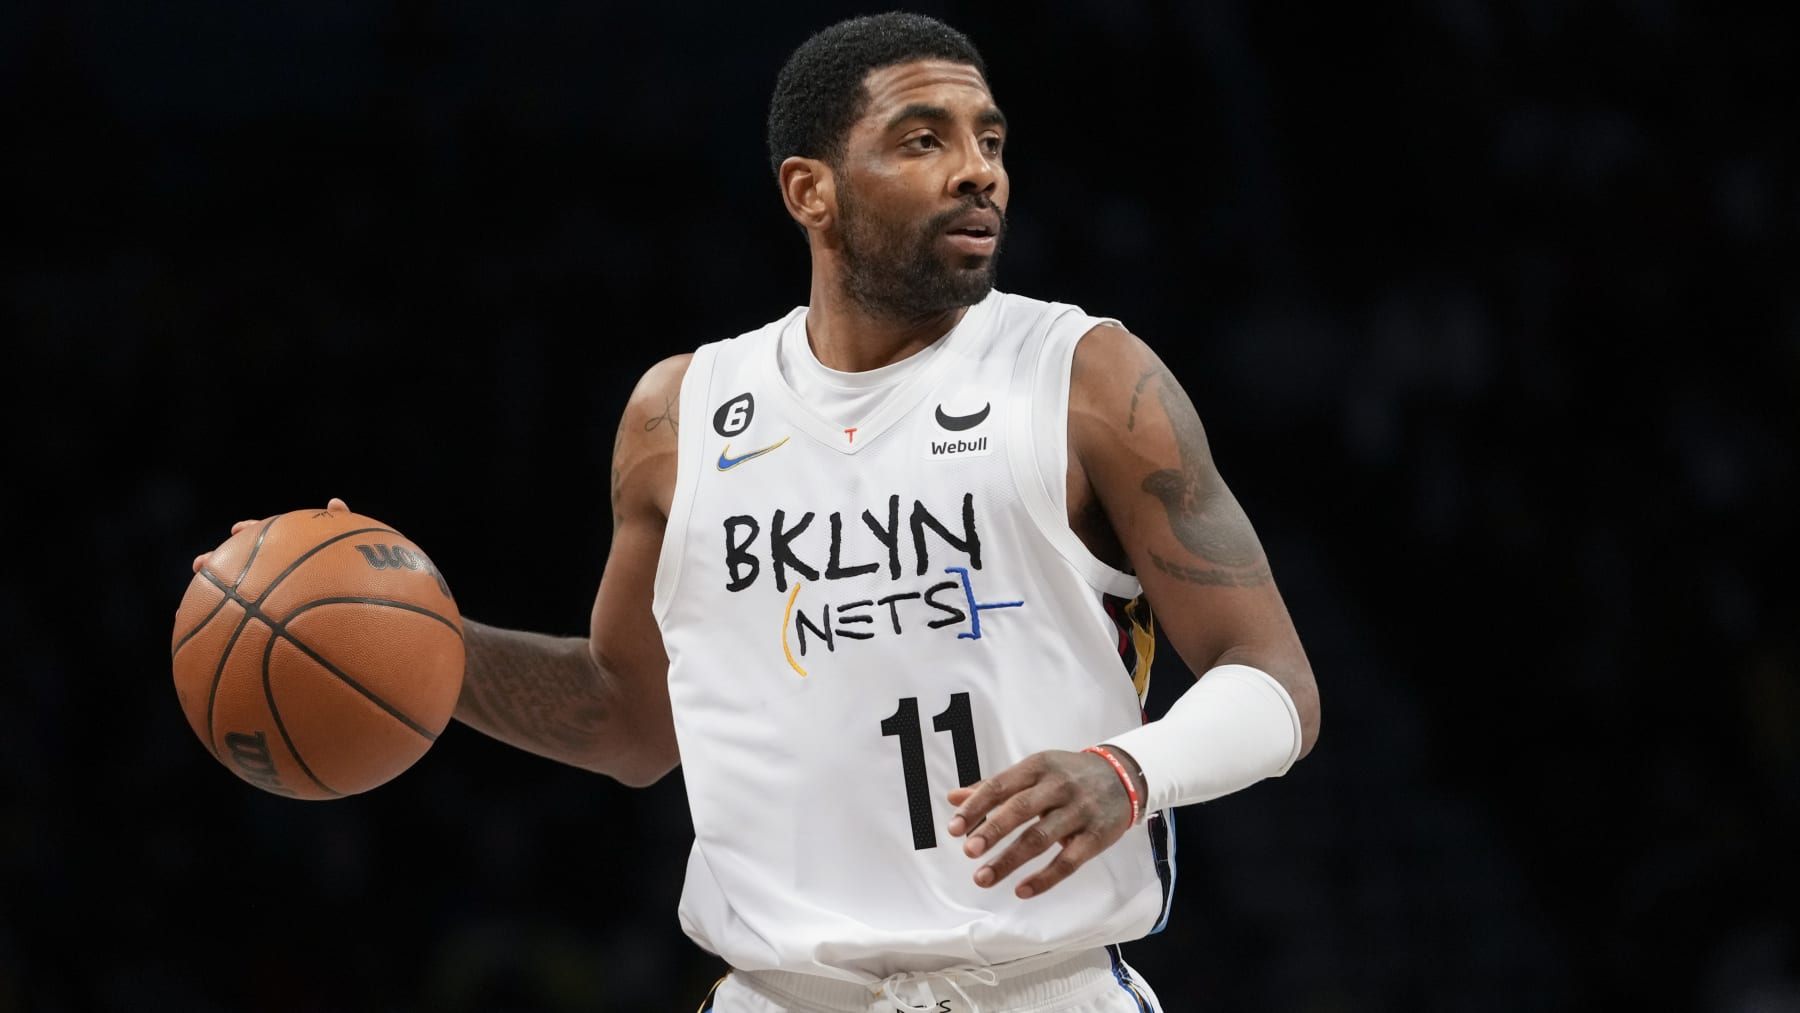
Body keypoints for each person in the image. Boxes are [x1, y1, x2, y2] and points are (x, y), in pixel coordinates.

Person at [195, 12, 1320, 1012]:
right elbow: (634, 722)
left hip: (1043, 989)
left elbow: (1274, 679)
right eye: (922, 139)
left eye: (990, 139)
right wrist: (409, 643)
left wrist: (1132, 770)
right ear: (809, 189)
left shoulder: (1087, 375)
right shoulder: (683, 414)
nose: (978, 171)